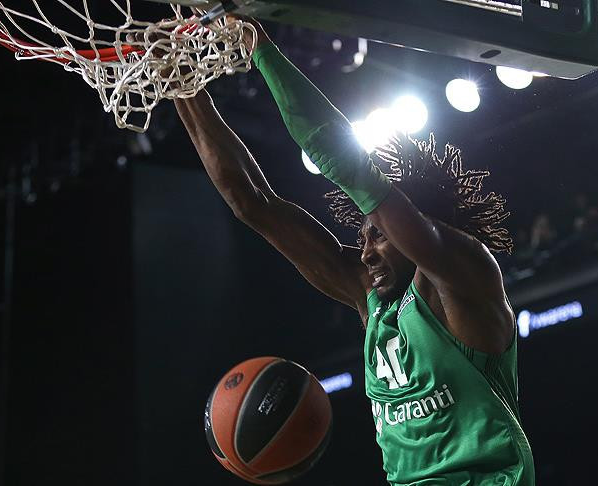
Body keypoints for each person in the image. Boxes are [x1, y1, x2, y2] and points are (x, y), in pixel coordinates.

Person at [174, 19, 534, 486]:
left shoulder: (468, 275)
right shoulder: (371, 298)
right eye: (363, 239)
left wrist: (260, 46)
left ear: (414, 223)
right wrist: (182, 85)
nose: (364, 254)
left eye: (378, 235)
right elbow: (252, 202)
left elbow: (344, 162)